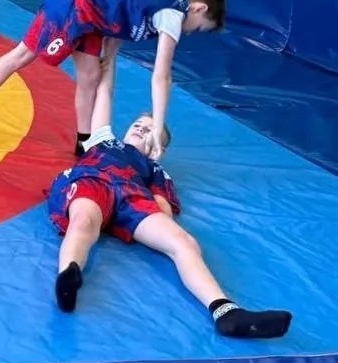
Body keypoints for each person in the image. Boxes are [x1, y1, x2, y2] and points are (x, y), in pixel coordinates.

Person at [45, 56, 291, 339]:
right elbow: (105, 92)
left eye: (149, 130)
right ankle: (69, 274)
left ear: (157, 148)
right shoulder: (104, 140)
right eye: (138, 124)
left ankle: (225, 311)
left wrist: (164, 232)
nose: (140, 128)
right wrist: (110, 56)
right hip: (94, 180)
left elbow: (161, 209)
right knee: (84, 221)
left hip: (132, 195)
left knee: (184, 242)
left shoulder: (155, 170)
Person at [0, 0, 224, 156]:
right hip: (74, 4)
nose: (191, 32)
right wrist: (157, 126)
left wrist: (112, 52)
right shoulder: (173, 14)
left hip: (90, 12)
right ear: (199, 8)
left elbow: (123, 7)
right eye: (199, 27)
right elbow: (162, 76)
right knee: (23, 55)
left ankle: (83, 141)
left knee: (91, 75)